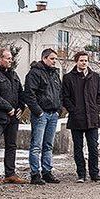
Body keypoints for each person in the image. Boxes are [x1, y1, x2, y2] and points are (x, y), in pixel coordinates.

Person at [0, 47, 28, 185]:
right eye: (8, 58)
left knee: (11, 145)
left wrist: (21, 107)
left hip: (13, 117)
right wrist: (8, 108)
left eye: (11, 58)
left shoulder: (13, 74)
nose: (10, 60)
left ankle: (10, 173)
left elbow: (21, 92)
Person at [61, 52, 100, 183]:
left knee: (93, 147)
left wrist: (97, 108)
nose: (84, 63)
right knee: (78, 147)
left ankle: (95, 174)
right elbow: (65, 97)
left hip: (92, 117)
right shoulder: (68, 77)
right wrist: (73, 110)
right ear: (76, 61)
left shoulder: (95, 77)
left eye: (86, 60)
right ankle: (81, 174)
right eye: (81, 60)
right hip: (77, 118)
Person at [24, 48, 63, 185]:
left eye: (55, 59)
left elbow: (60, 92)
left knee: (48, 145)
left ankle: (47, 171)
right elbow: (29, 94)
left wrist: (59, 109)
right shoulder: (34, 73)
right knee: (36, 145)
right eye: (52, 59)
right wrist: (38, 111)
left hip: (53, 114)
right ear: (44, 58)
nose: (54, 61)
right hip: (41, 114)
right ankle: (35, 173)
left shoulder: (54, 74)